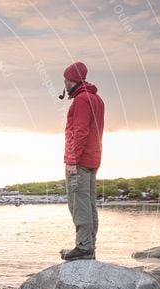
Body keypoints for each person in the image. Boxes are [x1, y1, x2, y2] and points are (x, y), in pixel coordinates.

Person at [59, 61, 105, 261]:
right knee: (88, 202)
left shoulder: (81, 100)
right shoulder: (96, 99)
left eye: (66, 79)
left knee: (79, 203)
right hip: (93, 159)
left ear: (71, 80)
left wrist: (72, 160)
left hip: (80, 161)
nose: (65, 83)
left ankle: (84, 246)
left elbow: (80, 132)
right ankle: (89, 245)